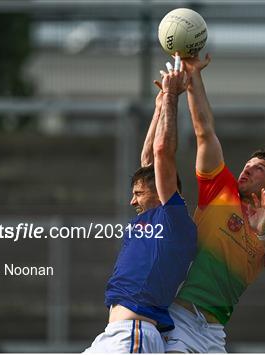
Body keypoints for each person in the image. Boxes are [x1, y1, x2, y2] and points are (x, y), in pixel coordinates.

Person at [163, 53, 265, 353]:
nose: (247, 169)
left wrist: (263, 236)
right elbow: (204, 131)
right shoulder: (219, 189)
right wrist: (195, 75)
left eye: (258, 168)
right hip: (180, 317)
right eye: (247, 164)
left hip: (213, 331)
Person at [84, 55, 197, 353]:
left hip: (134, 334)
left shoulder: (174, 219)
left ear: (160, 192)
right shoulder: (157, 216)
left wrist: (173, 96)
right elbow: (149, 159)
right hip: (115, 334)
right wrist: (160, 106)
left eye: (138, 193)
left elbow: (161, 153)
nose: (131, 199)